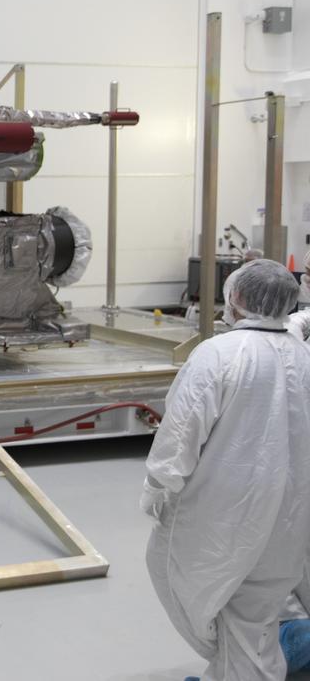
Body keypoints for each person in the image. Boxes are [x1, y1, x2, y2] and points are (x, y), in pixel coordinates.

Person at [141, 259, 310, 680]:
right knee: (254, 608)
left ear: (235, 297)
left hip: (220, 515)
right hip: (287, 515)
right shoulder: (301, 354)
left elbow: (181, 432)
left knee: (188, 585)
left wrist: (159, 488)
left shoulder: (219, 354)